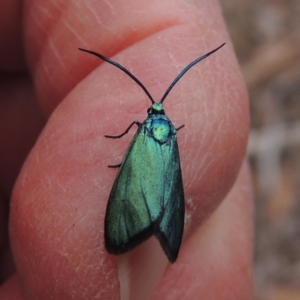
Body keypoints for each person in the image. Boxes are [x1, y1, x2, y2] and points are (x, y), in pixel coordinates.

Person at [0, 0, 252, 299]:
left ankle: (142, 226)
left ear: (150, 116)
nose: (154, 109)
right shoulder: (170, 133)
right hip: (166, 170)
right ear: (163, 117)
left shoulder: (143, 129)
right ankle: (157, 228)